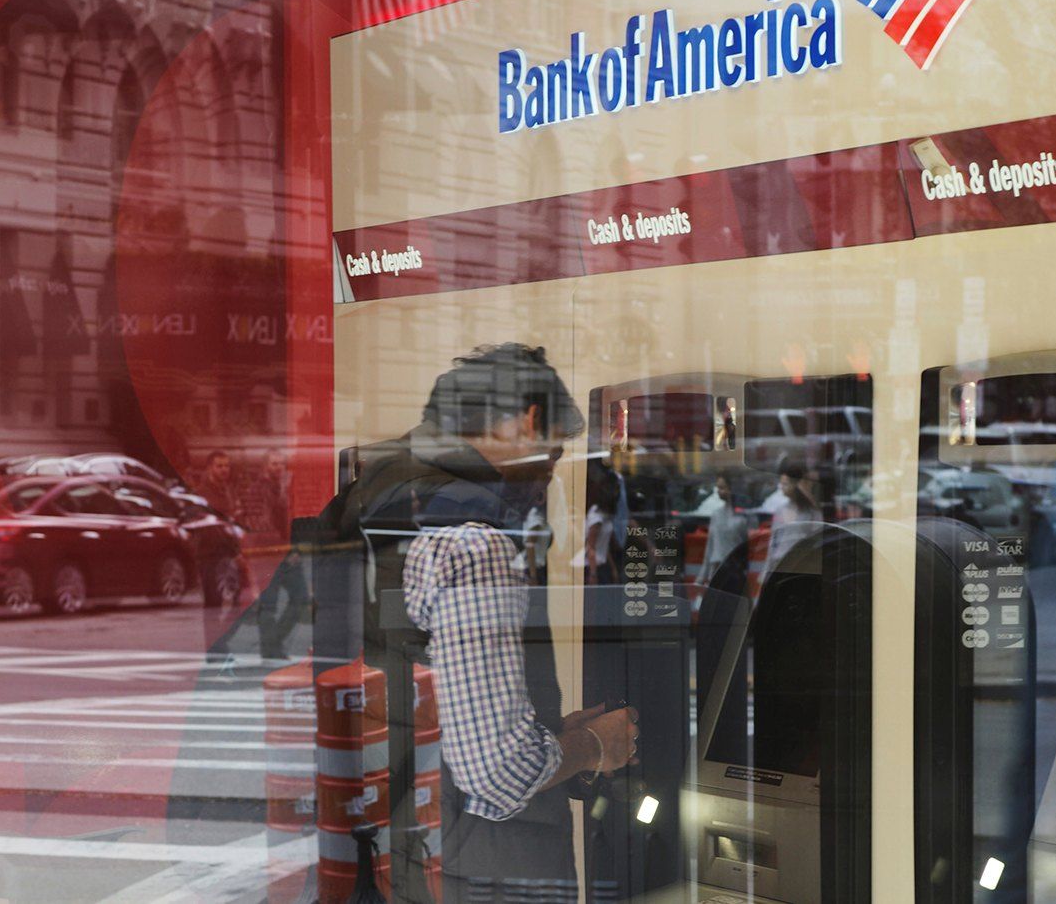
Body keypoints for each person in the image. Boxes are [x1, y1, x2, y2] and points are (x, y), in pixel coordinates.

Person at [321, 343, 638, 903]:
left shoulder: (371, 499)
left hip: (390, 844)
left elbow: (412, 684)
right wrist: (593, 745)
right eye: (554, 454)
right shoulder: (474, 542)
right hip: (476, 868)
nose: (549, 478)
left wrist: (539, 728)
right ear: (531, 421)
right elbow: (495, 773)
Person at [760, 461, 823, 582]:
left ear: (796, 485)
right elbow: (774, 541)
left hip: (801, 565)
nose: (782, 487)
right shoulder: (780, 510)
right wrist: (766, 571)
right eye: (782, 484)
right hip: (780, 564)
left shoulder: (811, 511)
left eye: (786, 484)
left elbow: (818, 540)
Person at [696, 472, 749, 592]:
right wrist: (701, 578)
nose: (719, 491)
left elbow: (749, 548)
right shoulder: (716, 515)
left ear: (731, 489)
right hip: (717, 570)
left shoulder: (743, 516)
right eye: (718, 487)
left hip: (735, 572)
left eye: (722, 487)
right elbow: (710, 547)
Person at [193, 450, 235, 515]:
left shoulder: (230, 492)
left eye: (227, 466)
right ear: (209, 468)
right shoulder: (200, 493)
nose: (224, 469)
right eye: (219, 466)